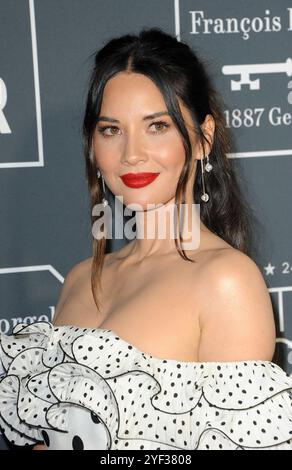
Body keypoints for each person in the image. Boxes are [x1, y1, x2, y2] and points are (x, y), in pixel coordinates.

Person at [1, 27, 292, 451]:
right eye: (111, 130)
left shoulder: (227, 282)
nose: (132, 153)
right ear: (92, 145)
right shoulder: (80, 280)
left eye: (157, 126)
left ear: (203, 138)